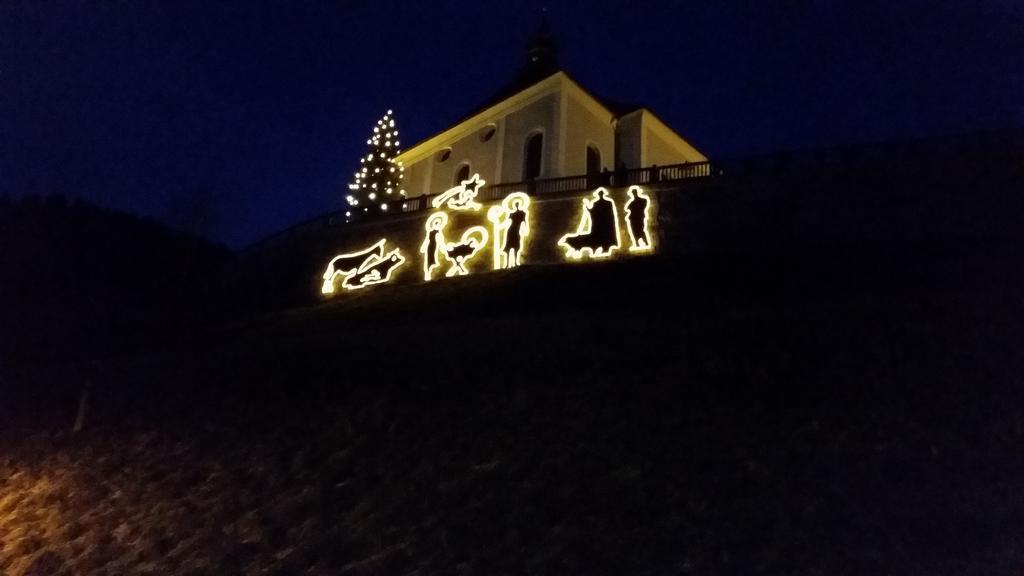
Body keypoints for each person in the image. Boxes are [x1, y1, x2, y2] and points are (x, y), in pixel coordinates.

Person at [420, 212, 448, 280]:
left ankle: (433, 272)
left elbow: (441, 241)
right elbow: (427, 240)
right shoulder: (430, 232)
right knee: (429, 260)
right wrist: (423, 247)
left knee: (433, 260)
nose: (437, 225)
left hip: (435, 247)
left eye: (439, 224)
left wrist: (444, 248)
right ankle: (428, 274)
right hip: (430, 247)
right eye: (436, 223)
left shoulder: (439, 233)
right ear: (433, 224)